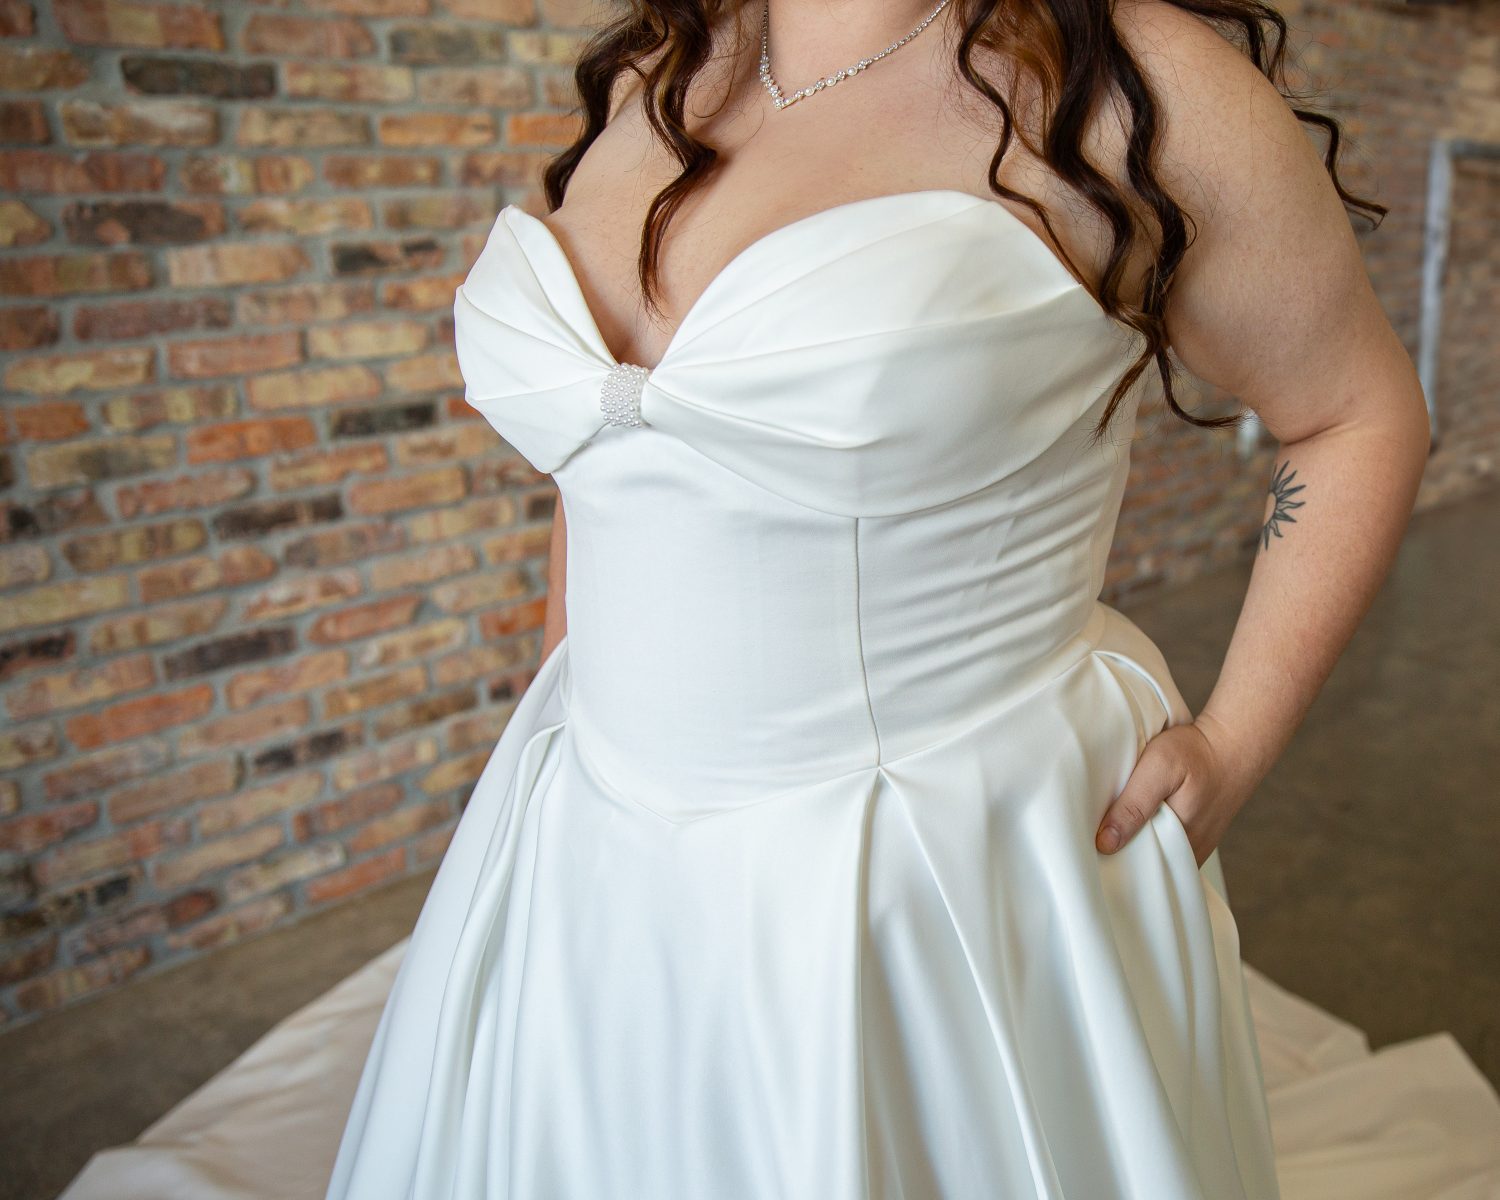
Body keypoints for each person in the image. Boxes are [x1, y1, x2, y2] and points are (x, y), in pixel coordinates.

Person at [323, 1, 1430, 1196]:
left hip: (931, 882)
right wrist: (565, 735)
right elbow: (616, 444)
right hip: (588, 843)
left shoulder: (1124, 84)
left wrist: (1235, 741)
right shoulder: (667, 64)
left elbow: (1357, 416)